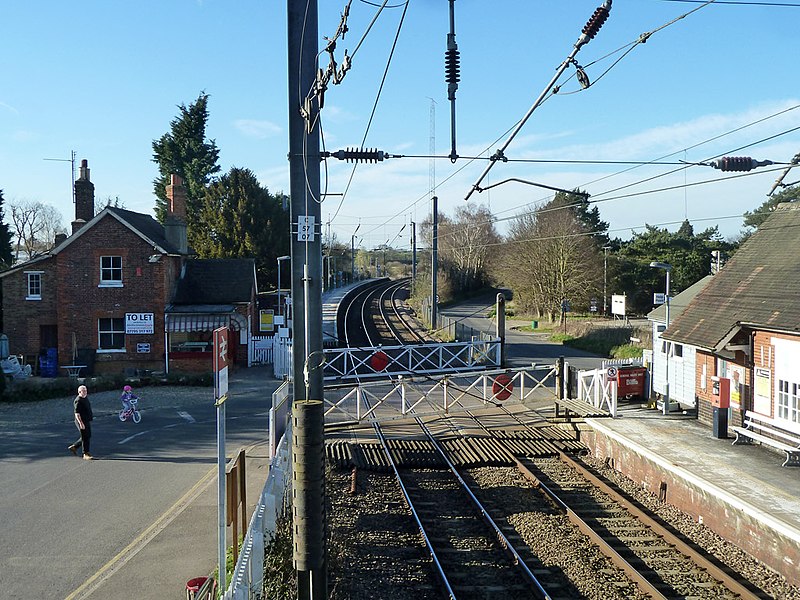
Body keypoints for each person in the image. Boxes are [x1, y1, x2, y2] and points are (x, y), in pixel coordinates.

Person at [68, 385, 94, 460]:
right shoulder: (78, 400)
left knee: (87, 435)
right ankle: (85, 453)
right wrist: (81, 423)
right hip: (81, 421)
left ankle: (74, 447)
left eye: (86, 390)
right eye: (83, 391)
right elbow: (77, 414)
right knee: (85, 436)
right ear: (79, 392)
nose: (85, 392)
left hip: (86, 420)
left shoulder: (85, 398)